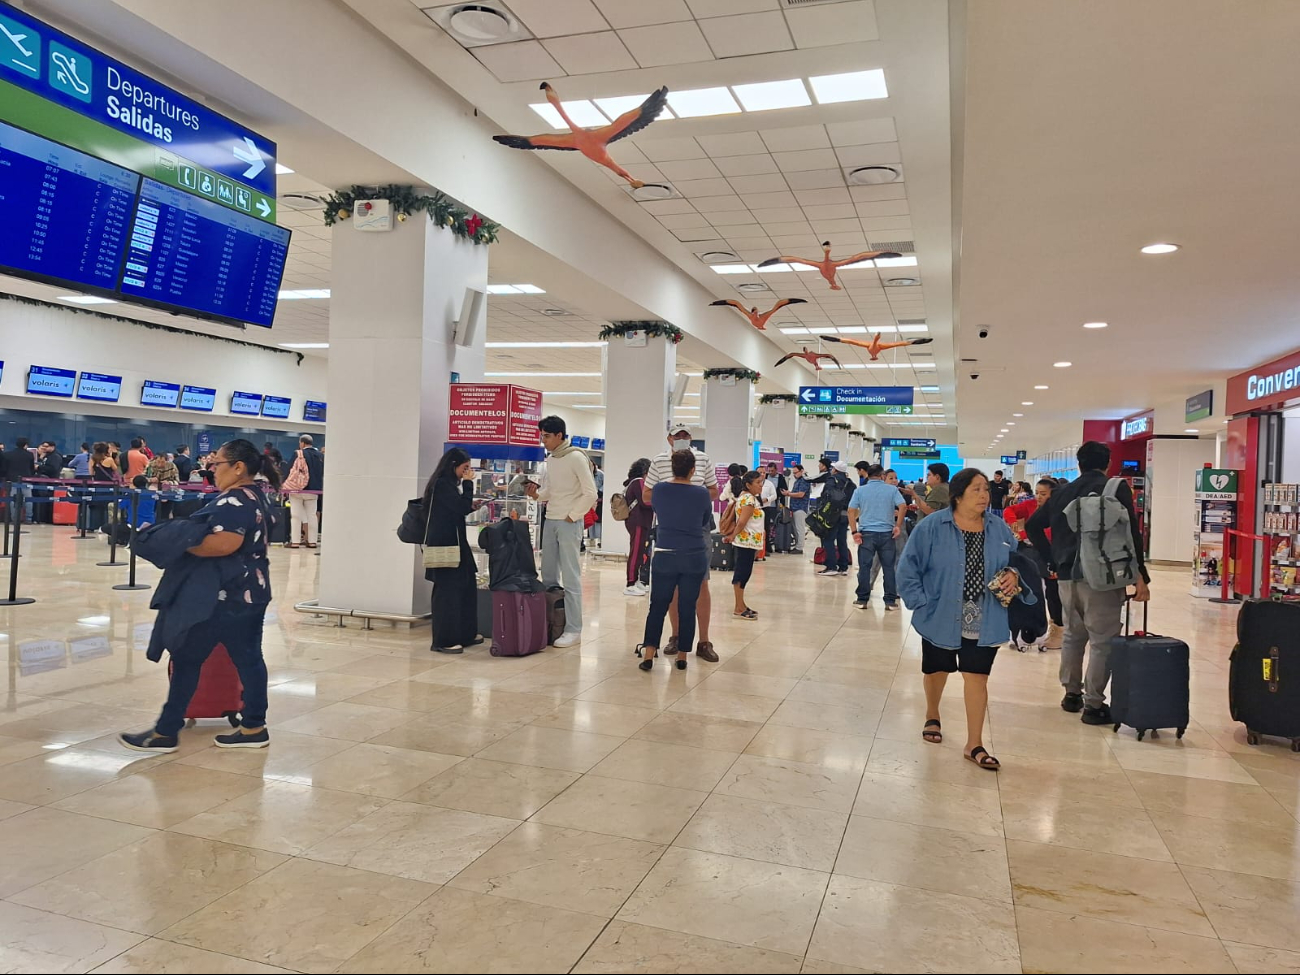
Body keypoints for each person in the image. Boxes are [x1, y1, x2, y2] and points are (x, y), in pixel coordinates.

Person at [119, 439, 280, 752]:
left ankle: (166, 732)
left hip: (223, 598)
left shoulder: (234, 500)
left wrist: (177, 542)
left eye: (217, 464)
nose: (212, 469)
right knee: (249, 660)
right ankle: (253, 727)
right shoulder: (258, 495)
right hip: (253, 592)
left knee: (187, 658)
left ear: (238, 467)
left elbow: (225, 544)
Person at [897, 468, 1030, 771]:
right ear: (957, 496)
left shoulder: (998, 528)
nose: (985, 495)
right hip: (941, 613)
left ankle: (974, 743)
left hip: (985, 616)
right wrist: (922, 604)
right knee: (937, 668)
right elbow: (908, 567)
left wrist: (1014, 574)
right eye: (977, 490)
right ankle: (933, 713)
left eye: (986, 489)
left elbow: (1016, 561)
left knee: (977, 676)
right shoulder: (932, 527)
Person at [1027, 441, 1150, 724]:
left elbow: (1034, 525)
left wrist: (1052, 560)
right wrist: (1140, 574)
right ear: (1106, 463)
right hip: (1103, 579)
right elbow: (1132, 531)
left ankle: (1072, 695)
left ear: (1079, 463)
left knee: (1073, 634)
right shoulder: (1115, 489)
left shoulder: (1061, 493)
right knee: (1102, 640)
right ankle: (1094, 705)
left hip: (1067, 577)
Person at [643, 426, 720, 661]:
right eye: (677, 436)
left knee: (701, 584)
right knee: (672, 588)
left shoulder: (703, 459)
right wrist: (671, 498)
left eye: (686, 436)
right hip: (669, 530)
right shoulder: (658, 461)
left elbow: (714, 491)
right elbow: (647, 495)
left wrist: (690, 500)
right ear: (669, 439)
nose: (682, 440)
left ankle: (703, 641)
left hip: (698, 530)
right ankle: (676, 638)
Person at [527, 415, 597, 648]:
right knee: (548, 574)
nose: (543, 440)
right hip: (551, 519)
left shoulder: (576, 457)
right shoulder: (553, 459)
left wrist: (573, 515)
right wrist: (537, 495)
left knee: (570, 575)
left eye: (546, 436)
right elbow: (552, 489)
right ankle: (551, 620)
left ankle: (573, 628)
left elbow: (590, 493)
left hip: (568, 522)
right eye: (541, 436)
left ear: (559, 435)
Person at [423, 447, 482, 654]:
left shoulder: (448, 485)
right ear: (453, 466)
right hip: (444, 546)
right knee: (447, 593)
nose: (467, 473)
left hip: (457, 543)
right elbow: (459, 508)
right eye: (465, 468)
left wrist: (470, 504)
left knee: (465, 588)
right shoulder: (441, 485)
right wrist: (468, 485)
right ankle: (443, 640)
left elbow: (458, 508)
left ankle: (465, 633)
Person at [1005, 477, 1063, 649]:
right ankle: (1022, 629)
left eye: (1043, 494)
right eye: (1037, 493)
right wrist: (1015, 525)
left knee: (1053, 594)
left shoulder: (1058, 510)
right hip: (1030, 554)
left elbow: (1048, 534)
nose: (1038, 497)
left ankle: (1058, 629)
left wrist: (1025, 535)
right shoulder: (1030, 505)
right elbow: (1009, 511)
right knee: (1028, 588)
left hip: (1052, 555)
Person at [848, 463, 907, 610]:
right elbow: (903, 506)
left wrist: (854, 532)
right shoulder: (892, 490)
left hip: (866, 533)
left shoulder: (860, 490)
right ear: (882, 476)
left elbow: (851, 510)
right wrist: (897, 526)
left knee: (865, 567)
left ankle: (862, 600)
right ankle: (890, 601)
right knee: (889, 568)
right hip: (887, 534)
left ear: (868, 475)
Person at [723, 469, 766, 620]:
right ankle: (738, 607)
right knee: (742, 573)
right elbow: (742, 522)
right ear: (748, 485)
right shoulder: (748, 499)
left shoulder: (746, 497)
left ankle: (741, 604)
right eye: (758, 483)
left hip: (749, 542)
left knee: (744, 573)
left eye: (761, 482)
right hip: (745, 542)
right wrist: (732, 536)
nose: (761, 485)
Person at [807, 458, 853, 575]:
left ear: (835, 470)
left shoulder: (832, 480)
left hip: (832, 515)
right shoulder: (850, 483)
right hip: (845, 515)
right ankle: (843, 567)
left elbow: (825, 496)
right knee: (842, 541)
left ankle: (831, 566)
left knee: (828, 539)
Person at [286, 435, 325, 549]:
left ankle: (295, 542)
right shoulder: (320, 456)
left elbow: (289, 470)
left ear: (302, 443)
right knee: (312, 515)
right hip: (314, 490)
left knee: (296, 516)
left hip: (297, 489)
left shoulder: (298, 453)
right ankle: (312, 542)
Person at [623, 457, 654, 595]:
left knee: (640, 551)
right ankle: (630, 583)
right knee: (636, 552)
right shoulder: (638, 482)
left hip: (639, 521)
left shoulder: (632, 483)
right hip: (638, 521)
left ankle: (636, 580)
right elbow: (645, 502)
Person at [783, 462, 810, 555]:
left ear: (801, 471)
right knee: (795, 528)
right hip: (794, 508)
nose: (794, 475)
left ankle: (799, 547)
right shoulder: (798, 481)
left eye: (796, 472)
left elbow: (801, 494)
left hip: (800, 508)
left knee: (800, 529)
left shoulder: (804, 480)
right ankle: (797, 546)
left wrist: (788, 494)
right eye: (793, 473)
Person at [759, 463, 779, 557]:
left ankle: (765, 548)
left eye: (763, 472)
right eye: (760, 472)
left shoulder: (769, 483)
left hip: (766, 508)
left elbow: (774, 495)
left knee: (766, 528)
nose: (762, 474)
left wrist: (767, 499)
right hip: (755, 508)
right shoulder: (753, 483)